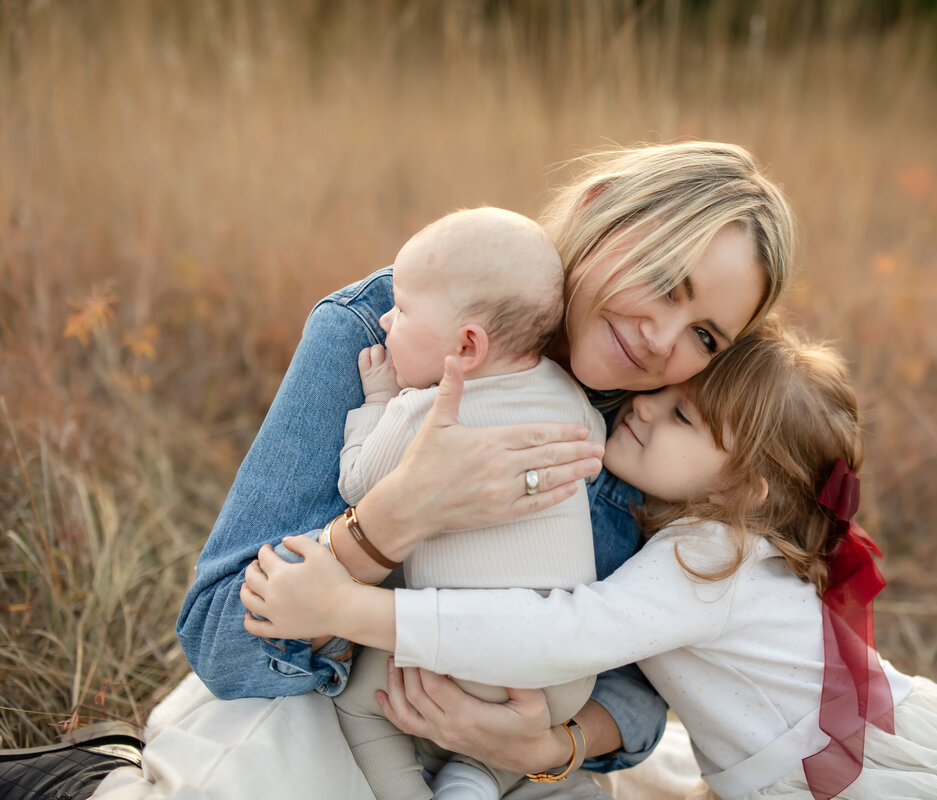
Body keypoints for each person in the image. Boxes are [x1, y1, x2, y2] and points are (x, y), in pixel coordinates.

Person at [0, 140, 796, 798]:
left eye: (704, 335)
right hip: (332, 705)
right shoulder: (389, 327)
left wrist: (553, 741)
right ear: (598, 210)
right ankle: (84, 779)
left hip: (499, 755)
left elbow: (644, 674)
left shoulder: (655, 423)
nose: (664, 340)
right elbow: (220, 638)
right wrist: (393, 518)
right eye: (663, 283)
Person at [243, 321, 937, 800]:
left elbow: (565, 631)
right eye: (658, 398)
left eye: (681, 418)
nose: (643, 412)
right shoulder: (704, 542)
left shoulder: (711, 556)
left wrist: (355, 612)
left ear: (745, 484)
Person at [304, 206, 605, 800]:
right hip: (566, 674)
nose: (386, 319)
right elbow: (592, 444)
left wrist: (380, 401)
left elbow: (358, 484)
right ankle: (478, 777)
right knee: (523, 722)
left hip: (459, 650)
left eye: (405, 308)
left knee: (361, 703)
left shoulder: (424, 411)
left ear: (467, 346)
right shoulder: (571, 399)